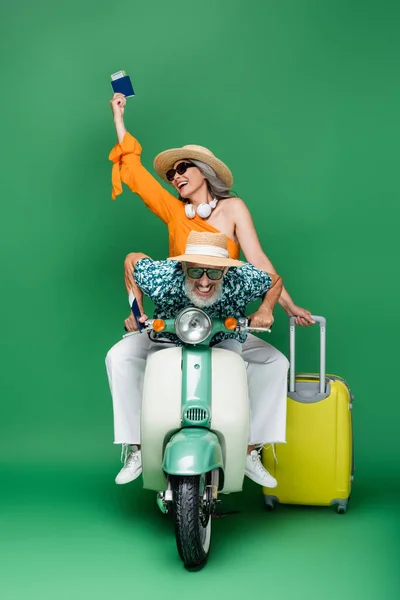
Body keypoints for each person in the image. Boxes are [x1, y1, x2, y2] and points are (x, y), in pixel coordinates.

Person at [108, 92, 314, 329]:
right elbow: (136, 174)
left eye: (183, 167)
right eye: (172, 174)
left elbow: (258, 261)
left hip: (222, 314)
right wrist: (118, 119)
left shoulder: (233, 208)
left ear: (204, 171)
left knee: (275, 362)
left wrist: (288, 307)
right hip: (179, 317)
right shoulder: (174, 211)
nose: (177, 177)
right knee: (121, 357)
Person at [106, 231, 288, 488]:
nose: (204, 281)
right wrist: (136, 311)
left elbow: (275, 281)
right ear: (183, 267)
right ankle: (136, 448)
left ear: (225, 271)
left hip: (223, 338)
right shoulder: (163, 277)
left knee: (276, 362)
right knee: (118, 356)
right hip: (166, 337)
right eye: (195, 272)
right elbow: (131, 261)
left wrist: (265, 309)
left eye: (213, 272)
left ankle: (249, 450)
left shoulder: (242, 279)